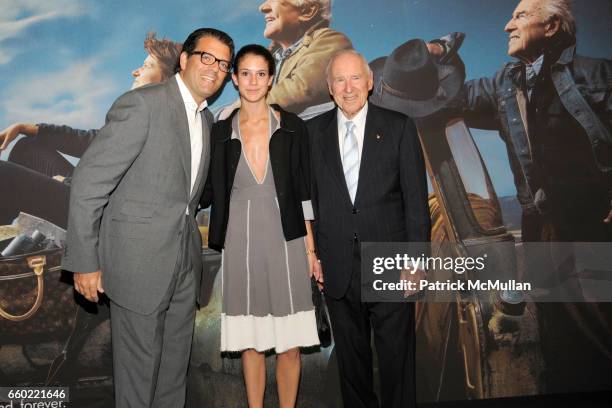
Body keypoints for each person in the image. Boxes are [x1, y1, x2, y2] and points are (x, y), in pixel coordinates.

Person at [424, 0, 612, 393]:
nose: (508, 25)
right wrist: (437, 53)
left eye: (521, 16)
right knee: (559, 338)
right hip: (541, 224)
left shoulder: (598, 74)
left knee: (600, 331)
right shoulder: (504, 84)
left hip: (595, 225)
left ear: (552, 26)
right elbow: (449, 100)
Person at [61, 28, 234, 407]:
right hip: (138, 266)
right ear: (185, 60)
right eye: (207, 57)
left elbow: (186, 199)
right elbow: (89, 182)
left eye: (223, 64)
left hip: (184, 266)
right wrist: (85, 263)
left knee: (173, 378)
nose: (215, 69)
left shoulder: (205, 122)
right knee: (138, 384)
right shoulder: (142, 104)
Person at [307, 49, 431, 407]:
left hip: (392, 266)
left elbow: (415, 200)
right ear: (329, 88)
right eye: (340, 80)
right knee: (352, 368)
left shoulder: (399, 127)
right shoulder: (313, 133)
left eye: (355, 78)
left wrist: (416, 261)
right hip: (337, 267)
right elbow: (307, 202)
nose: (348, 88)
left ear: (370, 82)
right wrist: (312, 255)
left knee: (397, 363)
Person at [204, 44, 321, 408]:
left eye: (261, 73)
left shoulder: (292, 127)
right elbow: (207, 189)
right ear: (235, 79)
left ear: (271, 79)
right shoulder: (220, 131)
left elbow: (304, 192)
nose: (253, 81)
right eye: (245, 73)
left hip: (287, 238)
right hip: (239, 239)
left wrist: (312, 252)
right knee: (250, 342)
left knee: (289, 344)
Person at [0, 32, 182, 227]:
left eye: (147, 66)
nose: (135, 72)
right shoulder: (140, 115)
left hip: (101, 215)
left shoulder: (164, 128)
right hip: (88, 195)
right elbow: (90, 141)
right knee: (28, 148)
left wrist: (69, 183)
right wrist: (24, 128)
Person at [260, 0, 352, 117]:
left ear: (308, 11)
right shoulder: (269, 58)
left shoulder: (330, 40)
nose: (263, 7)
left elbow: (301, 88)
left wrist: (245, 107)